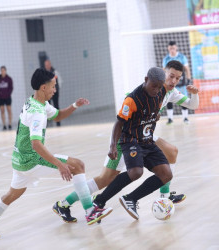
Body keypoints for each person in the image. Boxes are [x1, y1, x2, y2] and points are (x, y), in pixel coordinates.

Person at [0, 68, 112, 239]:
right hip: (31, 159)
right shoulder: (37, 112)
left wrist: (75, 105)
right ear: (43, 87)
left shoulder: (35, 102)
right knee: (78, 165)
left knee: (11, 194)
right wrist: (60, 165)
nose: (55, 89)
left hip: (18, 160)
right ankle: (90, 211)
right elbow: (36, 144)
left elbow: (59, 115)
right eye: (53, 86)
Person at [57, 61, 199, 222]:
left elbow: (191, 104)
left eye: (177, 78)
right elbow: (122, 121)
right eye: (171, 76)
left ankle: (165, 196)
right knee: (106, 179)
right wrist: (113, 145)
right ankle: (65, 203)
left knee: (171, 152)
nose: (173, 81)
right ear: (163, 73)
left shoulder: (167, 92)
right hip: (127, 138)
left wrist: (192, 94)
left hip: (145, 136)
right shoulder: (137, 96)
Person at [90, 67, 173, 220]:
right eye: (153, 85)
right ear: (146, 79)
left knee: (166, 174)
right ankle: (99, 201)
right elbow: (119, 123)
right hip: (130, 140)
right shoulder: (132, 100)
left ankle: (131, 199)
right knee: (136, 172)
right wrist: (113, 146)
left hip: (147, 140)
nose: (156, 90)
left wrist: (155, 114)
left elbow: (155, 107)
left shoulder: (161, 92)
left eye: (159, 86)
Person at [162, 41, 192, 124]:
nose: (172, 50)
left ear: (176, 48)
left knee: (183, 100)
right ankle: (170, 119)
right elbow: (164, 70)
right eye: (170, 48)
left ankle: (185, 118)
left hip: (181, 83)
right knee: (168, 100)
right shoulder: (166, 59)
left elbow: (187, 69)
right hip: (170, 83)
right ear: (168, 48)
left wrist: (188, 80)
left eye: (173, 48)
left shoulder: (182, 57)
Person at [0, 66, 13, 130]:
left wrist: (8, 93)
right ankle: (4, 125)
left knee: (9, 110)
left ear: (5, 71)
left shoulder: (9, 79)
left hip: (7, 97)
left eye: (3, 70)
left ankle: (10, 124)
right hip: (0, 98)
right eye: (1, 70)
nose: (2, 71)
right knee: (2, 111)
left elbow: (11, 88)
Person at [44, 59, 62, 127]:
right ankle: (48, 122)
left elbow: (58, 82)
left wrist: (55, 90)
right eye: (45, 65)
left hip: (54, 93)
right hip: (47, 93)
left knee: (56, 106)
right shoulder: (44, 73)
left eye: (48, 64)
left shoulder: (55, 72)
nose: (46, 66)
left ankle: (58, 121)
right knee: (47, 107)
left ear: (50, 65)